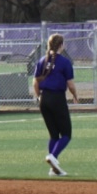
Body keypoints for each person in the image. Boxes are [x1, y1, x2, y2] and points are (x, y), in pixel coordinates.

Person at [33, 33, 78, 177]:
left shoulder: (41, 61)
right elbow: (70, 84)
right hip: (57, 98)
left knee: (53, 134)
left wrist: (39, 97)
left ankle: (53, 169)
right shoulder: (64, 62)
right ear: (61, 45)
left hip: (44, 99)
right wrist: (75, 95)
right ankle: (53, 156)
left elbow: (35, 82)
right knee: (66, 134)